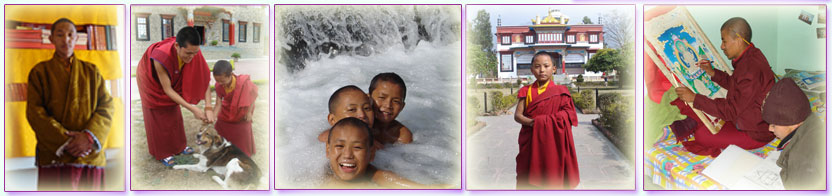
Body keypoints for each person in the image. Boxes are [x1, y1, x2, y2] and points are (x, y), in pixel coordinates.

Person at [26, 18, 114, 191]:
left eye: (70, 35)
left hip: (89, 154)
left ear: (76, 38)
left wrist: (88, 138)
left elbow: (106, 106)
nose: (65, 39)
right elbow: (35, 112)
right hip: (54, 153)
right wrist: (67, 141)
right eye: (60, 35)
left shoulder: (92, 71)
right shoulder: (39, 72)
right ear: (51, 39)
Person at [672, 17, 776, 156]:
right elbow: (736, 84)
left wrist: (695, 98)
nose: (722, 46)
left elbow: (731, 110)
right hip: (751, 118)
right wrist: (713, 73)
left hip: (756, 132)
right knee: (706, 122)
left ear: (738, 41)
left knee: (702, 135)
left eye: (724, 41)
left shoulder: (749, 70)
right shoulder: (752, 55)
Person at [136, 26, 212, 166]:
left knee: (174, 112)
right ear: (177, 45)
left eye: (194, 53)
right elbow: (168, 90)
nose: (191, 57)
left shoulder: (194, 52)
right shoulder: (161, 56)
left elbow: (205, 78)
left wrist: (208, 107)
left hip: (171, 79)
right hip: (150, 81)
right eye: (188, 53)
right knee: (157, 117)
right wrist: (193, 109)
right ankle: (163, 153)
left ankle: (179, 147)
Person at [513, 51, 579, 189]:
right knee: (528, 172)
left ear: (554, 69)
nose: (542, 70)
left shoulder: (561, 91)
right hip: (531, 138)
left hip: (553, 140)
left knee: (552, 170)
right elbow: (518, 116)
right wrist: (534, 123)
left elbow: (569, 114)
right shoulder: (526, 90)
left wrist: (542, 122)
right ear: (532, 70)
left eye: (546, 66)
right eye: (537, 66)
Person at [324, 117, 434, 189]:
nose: (347, 154)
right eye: (339, 146)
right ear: (328, 150)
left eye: (357, 147)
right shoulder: (317, 174)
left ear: (371, 154)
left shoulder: (375, 177)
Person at [760, 78, 824, 190]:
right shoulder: (812, 120)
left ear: (794, 124)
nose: (770, 129)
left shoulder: (803, 161)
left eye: (774, 125)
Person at [209, 60, 258, 156]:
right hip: (227, 110)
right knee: (220, 125)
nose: (220, 83)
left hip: (242, 111)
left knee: (243, 130)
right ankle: (224, 148)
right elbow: (218, 103)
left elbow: (252, 97)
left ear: (230, 74)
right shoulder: (219, 86)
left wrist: (249, 113)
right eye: (217, 81)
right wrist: (213, 117)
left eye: (222, 81)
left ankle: (243, 152)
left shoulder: (244, 83)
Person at [368, 72, 412, 144]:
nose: (388, 105)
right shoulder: (359, 119)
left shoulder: (402, 137)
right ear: (369, 98)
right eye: (382, 98)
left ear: (402, 107)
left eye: (396, 101)